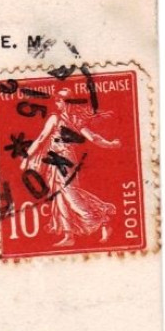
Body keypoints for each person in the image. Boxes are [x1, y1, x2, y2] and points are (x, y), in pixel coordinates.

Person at [24, 90, 121, 247]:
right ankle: (68, 235)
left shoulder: (72, 119)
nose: (58, 104)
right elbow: (42, 138)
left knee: (71, 195)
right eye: (57, 101)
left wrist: (110, 144)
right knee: (59, 196)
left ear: (67, 102)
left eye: (61, 101)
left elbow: (92, 137)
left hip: (65, 159)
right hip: (54, 160)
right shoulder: (60, 118)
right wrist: (27, 156)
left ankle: (102, 219)